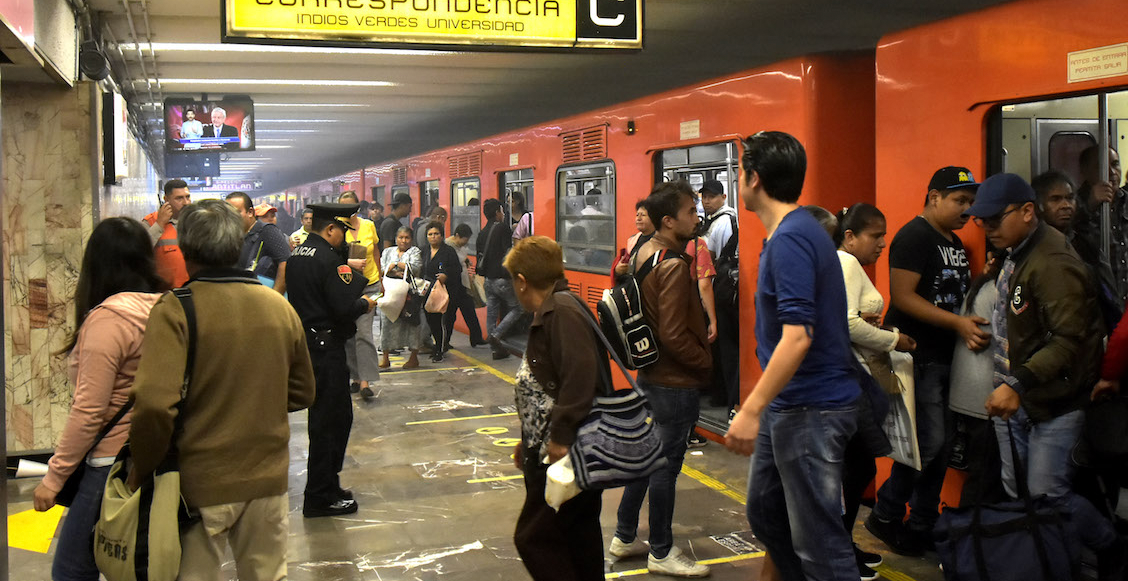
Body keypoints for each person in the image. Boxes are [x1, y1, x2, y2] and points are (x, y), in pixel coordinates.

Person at [127, 199, 316, 579]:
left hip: (199, 486)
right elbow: (302, 393)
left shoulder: (175, 310)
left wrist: (141, 470)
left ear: (185, 248)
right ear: (237, 246)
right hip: (268, 479)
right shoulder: (278, 307)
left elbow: (153, 406)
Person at [966, 173, 1127, 580]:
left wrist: (1016, 384)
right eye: (981, 222)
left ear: (1025, 212)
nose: (987, 229)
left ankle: (1111, 546)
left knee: (1046, 493)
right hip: (1019, 397)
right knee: (1021, 494)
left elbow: (1068, 339)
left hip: (1054, 402)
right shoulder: (1016, 251)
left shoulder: (1053, 262)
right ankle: (1048, 563)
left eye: (994, 220)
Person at [721, 131, 860, 580]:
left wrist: (751, 407)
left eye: (739, 173)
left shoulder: (791, 241)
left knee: (820, 544)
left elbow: (798, 336)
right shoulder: (795, 231)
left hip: (811, 409)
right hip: (791, 406)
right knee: (766, 513)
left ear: (753, 178)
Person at [866, 165, 989, 556]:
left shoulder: (951, 240)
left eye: (970, 202)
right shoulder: (914, 237)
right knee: (929, 444)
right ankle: (886, 514)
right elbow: (903, 296)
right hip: (919, 356)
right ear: (934, 197)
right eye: (959, 200)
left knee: (940, 445)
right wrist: (958, 323)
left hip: (945, 358)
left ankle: (921, 521)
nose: (966, 209)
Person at [32, 218, 164, 581]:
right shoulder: (168, 308)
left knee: (72, 570)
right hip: (158, 456)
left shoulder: (109, 320)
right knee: (136, 564)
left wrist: (54, 478)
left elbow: (90, 411)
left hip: (110, 464)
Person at [611, 181, 712, 578]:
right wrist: (704, 363)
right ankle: (662, 550)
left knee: (646, 459)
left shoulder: (644, 251)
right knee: (666, 468)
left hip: (651, 375)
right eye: (690, 212)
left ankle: (623, 536)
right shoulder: (673, 265)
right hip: (674, 383)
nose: (696, 217)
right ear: (669, 221)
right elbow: (672, 333)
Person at [508, 236, 605, 581]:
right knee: (576, 536)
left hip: (564, 454)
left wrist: (560, 437)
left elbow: (579, 378)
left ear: (522, 280)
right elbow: (544, 384)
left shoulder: (560, 312)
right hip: (551, 448)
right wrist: (528, 438)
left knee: (534, 537)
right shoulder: (551, 310)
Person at [834, 202, 915, 579]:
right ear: (850, 237)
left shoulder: (840, 264)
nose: (882, 243)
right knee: (858, 466)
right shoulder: (848, 263)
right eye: (875, 235)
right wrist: (894, 339)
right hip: (857, 379)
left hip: (852, 378)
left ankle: (843, 545)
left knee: (854, 467)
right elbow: (849, 324)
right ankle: (839, 550)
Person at [287, 202, 377, 518]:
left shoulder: (297, 255)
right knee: (332, 422)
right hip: (327, 349)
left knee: (324, 420)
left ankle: (326, 487)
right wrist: (365, 304)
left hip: (309, 345)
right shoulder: (327, 259)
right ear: (330, 229)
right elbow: (343, 306)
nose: (343, 237)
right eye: (342, 230)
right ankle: (320, 495)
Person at [701, 180, 741, 418]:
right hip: (718, 287)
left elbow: (715, 259)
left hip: (721, 289)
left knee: (725, 346)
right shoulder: (713, 221)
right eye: (704, 196)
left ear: (724, 197)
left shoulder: (724, 221)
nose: (707, 201)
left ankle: (724, 394)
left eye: (712, 196)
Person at [339, 191, 382, 397]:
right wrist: (348, 262)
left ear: (357, 206)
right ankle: (354, 377)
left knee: (364, 333)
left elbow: (375, 251)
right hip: (346, 286)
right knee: (348, 334)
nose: (347, 211)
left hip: (370, 284)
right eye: (343, 206)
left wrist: (381, 279)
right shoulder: (336, 228)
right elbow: (331, 258)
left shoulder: (368, 225)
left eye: (350, 206)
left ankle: (365, 382)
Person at [1074, 145, 1127, 305]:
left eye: (1116, 164)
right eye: (1102, 166)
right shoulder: (1073, 204)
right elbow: (1064, 236)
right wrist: (1090, 204)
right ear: (1084, 171)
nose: (1111, 172)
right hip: (1097, 304)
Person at [477, 198, 522, 360]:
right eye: (502, 211)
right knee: (518, 308)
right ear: (497, 212)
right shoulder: (503, 228)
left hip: (488, 279)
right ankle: (496, 335)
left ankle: (495, 349)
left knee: (491, 312)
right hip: (503, 279)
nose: (503, 214)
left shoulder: (482, 232)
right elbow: (509, 253)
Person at [226, 191, 290, 294]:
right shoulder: (234, 236)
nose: (230, 217)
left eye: (236, 212)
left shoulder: (267, 231)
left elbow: (285, 262)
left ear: (250, 212)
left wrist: (275, 295)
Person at [379, 227, 424, 369]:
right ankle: (385, 357)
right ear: (396, 238)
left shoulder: (415, 251)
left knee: (412, 324)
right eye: (400, 237)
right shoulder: (387, 251)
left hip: (409, 296)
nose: (403, 240)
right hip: (391, 294)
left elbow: (416, 268)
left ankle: (413, 357)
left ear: (411, 239)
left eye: (407, 238)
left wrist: (396, 265)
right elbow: (382, 268)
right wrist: (399, 269)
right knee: (387, 323)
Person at [422, 221, 462, 363]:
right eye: (430, 234)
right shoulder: (424, 251)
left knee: (443, 322)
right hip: (428, 293)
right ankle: (437, 346)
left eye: (436, 234)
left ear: (442, 235)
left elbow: (458, 270)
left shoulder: (448, 251)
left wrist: (447, 276)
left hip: (445, 292)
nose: (433, 237)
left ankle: (440, 348)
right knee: (431, 321)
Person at [143, 179, 192, 288]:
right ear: (166, 200)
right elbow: (139, 251)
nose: (186, 203)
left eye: (187, 197)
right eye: (179, 198)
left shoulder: (196, 222)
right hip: (163, 293)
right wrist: (159, 224)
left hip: (193, 290)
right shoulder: (150, 222)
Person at [447, 223, 487, 348]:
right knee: (450, 315)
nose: (466, 242)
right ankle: (444, 342)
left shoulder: (460, 247)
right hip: (453, 286)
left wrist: (467, 261)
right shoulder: (448, 247)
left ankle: (476, 338)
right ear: (457, 236)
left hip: (463, 285)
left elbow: (462, 258)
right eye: (465, 239)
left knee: (470, 311)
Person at [613, 200, 655, 280]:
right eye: (637, 215)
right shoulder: (633, 240)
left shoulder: (658, 241)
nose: (638, 218)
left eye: (643, 215)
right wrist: (618, 270)